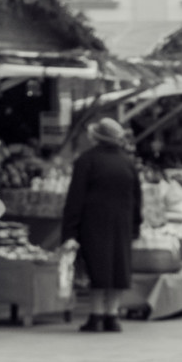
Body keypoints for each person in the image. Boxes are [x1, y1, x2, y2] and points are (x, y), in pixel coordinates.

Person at [60, 116, 141, 333]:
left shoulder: (86, 161)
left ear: (95, 137)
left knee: (97, 267)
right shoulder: (128, 163)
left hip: (93, 223)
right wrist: (135, 226)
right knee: (117, 266)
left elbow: (75, 198)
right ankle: (112, 315)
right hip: (121, 223)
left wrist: (69, 230)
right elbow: (137, 199)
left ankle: (96, 315)